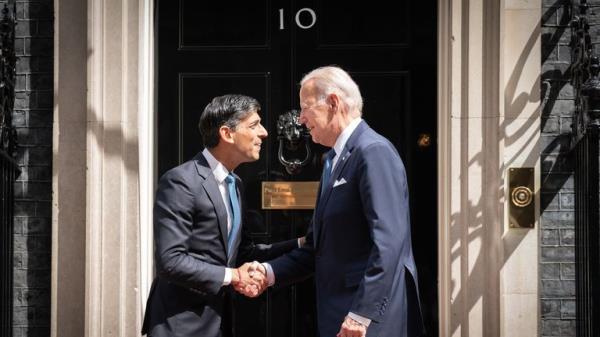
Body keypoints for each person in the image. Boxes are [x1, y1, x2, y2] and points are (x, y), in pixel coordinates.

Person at [250, 66, 424, 337]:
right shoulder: (333, 160)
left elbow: (389, 243)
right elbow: (317, 247)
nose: (301, 119)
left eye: (305, 108)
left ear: (333, 103)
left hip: (368, 321)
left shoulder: (373, 151)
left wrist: (362, 314)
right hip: (340, 315)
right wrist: (268, 271)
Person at [142, 94, 302, 337]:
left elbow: (244, 253)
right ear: (227, 134)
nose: (264, 133)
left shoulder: (234, 183)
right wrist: (234, 276)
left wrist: (301, 244)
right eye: (253, 125)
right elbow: (171, 261)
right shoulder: (181, 181)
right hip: (181, 323)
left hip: (221, 321)